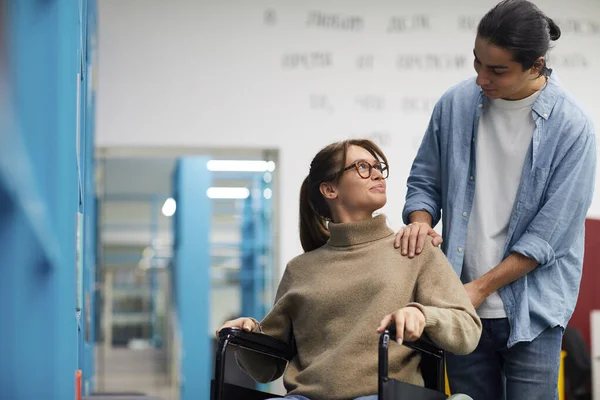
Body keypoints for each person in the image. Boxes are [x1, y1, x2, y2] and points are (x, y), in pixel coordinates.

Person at [395, 1, 596, 399]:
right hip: (461, 308)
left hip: (532, 311)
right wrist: (420, 220)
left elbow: (547, 238)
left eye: (497, 70)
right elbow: (424, 180)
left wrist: (479, 289)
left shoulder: (573, 128)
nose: (482, 78)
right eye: (477, 63)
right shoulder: (455, 104)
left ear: (536, 66)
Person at [217, 139, 481, 400]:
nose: (377, 173)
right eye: (363, 167)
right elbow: (266, 369)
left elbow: (467, 329)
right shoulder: (300, 270)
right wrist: (246, 334)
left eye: (378, 167)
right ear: (330, 189)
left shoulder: (413, 248)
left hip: (382, 394)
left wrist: (423, 316)